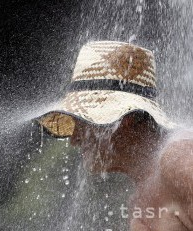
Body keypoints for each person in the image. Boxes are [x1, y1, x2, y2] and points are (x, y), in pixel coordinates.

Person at [36, 41, 193, 230]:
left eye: (83, 122)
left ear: (124, 119)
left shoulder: (179, 160)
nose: (74, 140)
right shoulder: (140, 196)